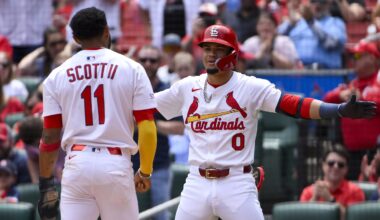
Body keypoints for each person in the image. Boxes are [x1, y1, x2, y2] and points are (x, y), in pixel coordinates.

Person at [154, 24, 376, 220]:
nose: (211, 54)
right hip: (197, 180)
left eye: (218, 49)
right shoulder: (187, 86)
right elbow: (146, 107)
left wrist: (336, 109)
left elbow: (291, 104)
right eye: (207, 49)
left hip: (236, 182)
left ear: (232, 55)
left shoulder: (249, 86)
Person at [37, 7, 157, 220]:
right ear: (106, 31)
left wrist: (46, 183)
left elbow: (50, 136)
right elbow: (147, 126)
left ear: (74, 37)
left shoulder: (56, 76)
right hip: (115, 163)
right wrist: (145, 171)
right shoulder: (132, 68)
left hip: (77, 164)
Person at [323, 40, 380, 180]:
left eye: (358, 56)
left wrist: (362, 100)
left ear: (372, 58)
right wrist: (340, 95)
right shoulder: (353, 84)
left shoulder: (378, 80)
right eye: (353, 57)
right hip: (351, 153)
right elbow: (326, 100)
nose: (353, 61)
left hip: (376, 153)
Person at [300, 146, 365, 219]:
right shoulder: (308, 192)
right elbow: (303, 218)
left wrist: (330, 199)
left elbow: (350, 218)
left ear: (346, 169)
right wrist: (315, 198)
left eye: (341, 165)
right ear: (323, 165)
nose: (335, 167)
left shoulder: (355, 191)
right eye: (331, 163)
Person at [278, 0, 347, 69]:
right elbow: (275, 39)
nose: (317, 5)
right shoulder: (297, 22)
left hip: (326, 74)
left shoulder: (335, 22)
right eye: (313, 1)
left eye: (322, 2)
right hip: (296, 73)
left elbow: (331, 44)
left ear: (329, 4)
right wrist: (290, 22)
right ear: (308, 3)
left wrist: (311, 22)